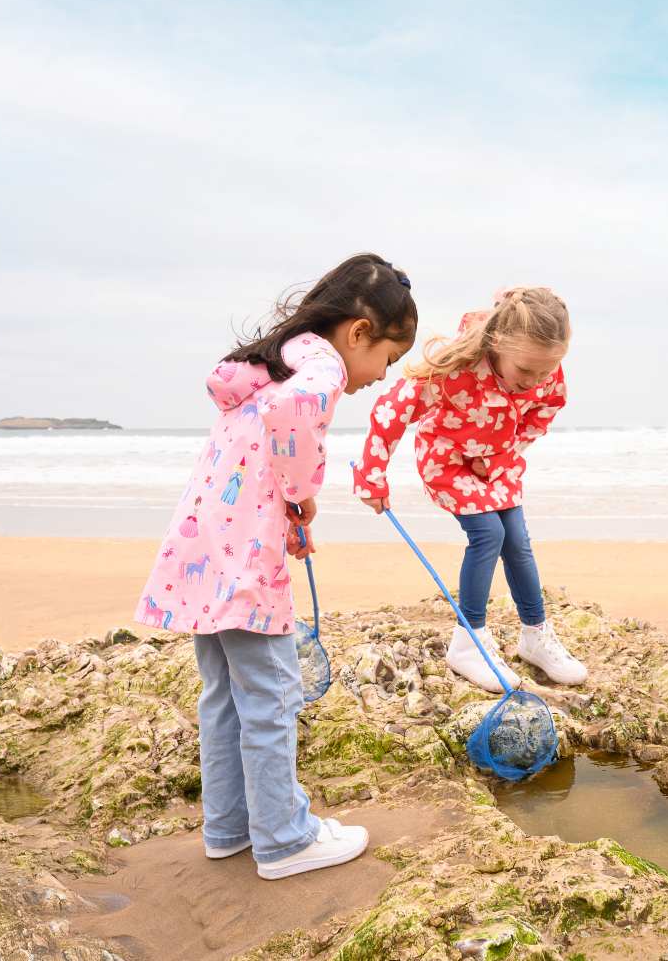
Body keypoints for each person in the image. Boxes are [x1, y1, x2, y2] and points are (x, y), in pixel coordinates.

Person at [136, 253, 417, 879]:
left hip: (204, 556)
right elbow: (294, 421)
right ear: (360, 333)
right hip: (242, 570)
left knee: (226, 698)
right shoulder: (321, 366)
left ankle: (231, 827)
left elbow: (250, 456)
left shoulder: (272, 366)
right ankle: (285, 840)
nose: (379, 376)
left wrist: (284, 506)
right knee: (270, 696)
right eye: (388, 360)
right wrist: (299, 490)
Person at [353, 286, 587, 692]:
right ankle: (469, 641)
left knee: (516, 539)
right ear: (498, 344)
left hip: (499, 462)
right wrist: (372, 474)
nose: (532, 382)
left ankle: (535, 636)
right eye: (525, 372)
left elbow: (545, 410)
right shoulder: (453, 367)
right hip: (448, 460)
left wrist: (510, 447)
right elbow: (392, 411)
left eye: (543, 373)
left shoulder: (544, 373)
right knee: (489, 534)